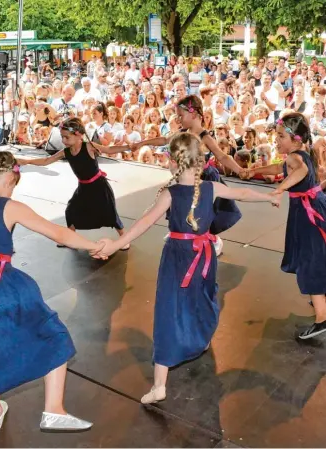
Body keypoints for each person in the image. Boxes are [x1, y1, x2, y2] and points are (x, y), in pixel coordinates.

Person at [94, 132, 280, 404]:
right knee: (201, 300)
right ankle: (194, 345)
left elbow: (143, 223)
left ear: (172, 162)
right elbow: (242, 192)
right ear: (202, 163)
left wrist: (115, 244)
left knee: (170, 310)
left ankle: (161, 383)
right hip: (203, 257)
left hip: (179, 259)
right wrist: (268, 197)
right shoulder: (209, 188)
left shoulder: (170, 194)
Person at [0, 151, 104, 433]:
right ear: (9, 178)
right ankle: (54, 409)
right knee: (52, 335)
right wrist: (93, 246)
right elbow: (59, 234)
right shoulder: (8, 206)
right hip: (2, 288)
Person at [127, 95, 244, 255]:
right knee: (181, 206)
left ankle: (212, 239)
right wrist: (143, 143)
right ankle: (180, 230)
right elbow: (164, 140)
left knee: (202, 212)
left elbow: (222, 156)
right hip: (185, 178)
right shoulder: (182, 132)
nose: (178, 119)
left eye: (181, 116)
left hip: (204, 178)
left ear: (194, 114)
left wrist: (240, 170)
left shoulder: (205, 136)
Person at [243, 113, 326, 339]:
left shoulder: (296, 158)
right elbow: (280, 167)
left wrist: (280, 189)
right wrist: (255, 170)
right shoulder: (298, 153)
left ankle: (322, 317)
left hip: (308, 214)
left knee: (310, 259)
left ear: (296, 139)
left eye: (280, 136)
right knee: (316, 254)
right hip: (313, 207)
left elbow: (301, 172)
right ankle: (321, 297)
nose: (276, 141)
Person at [19, 118, 129, 249]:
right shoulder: (66, 152)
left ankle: (124, 238)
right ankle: (70, 237)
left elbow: (109, 150)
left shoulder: (88, 146)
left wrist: (129, 146)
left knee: (109, 212)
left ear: (78, 135)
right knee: (71, 210)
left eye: (66, 137)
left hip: (99, 186)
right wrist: (26, 161)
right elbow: (46, 160)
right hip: (83, 187)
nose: (63, 141)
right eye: (62, 137)